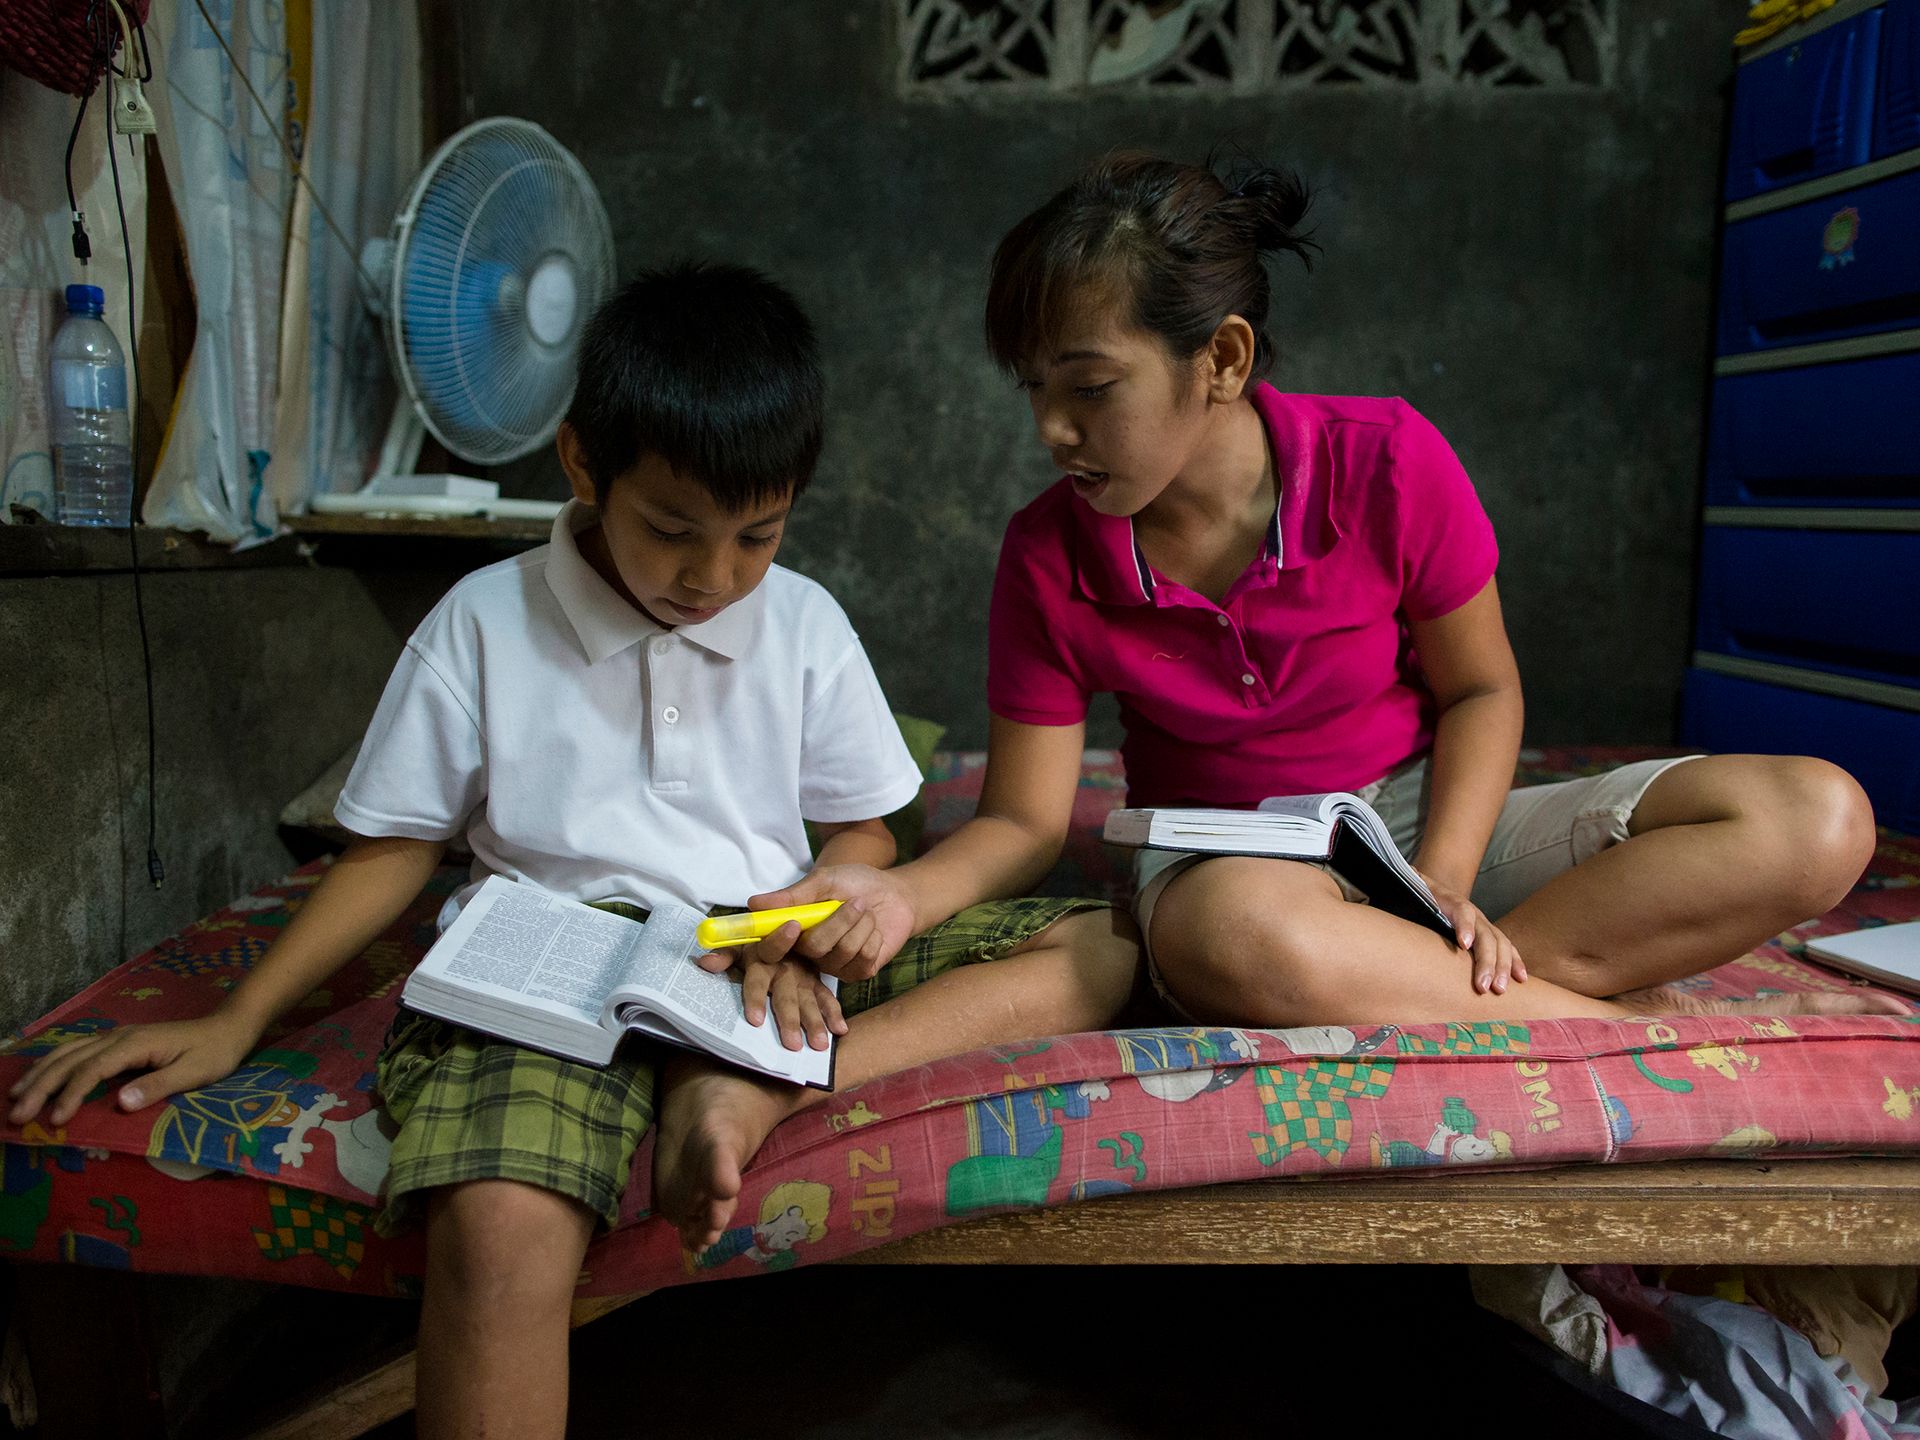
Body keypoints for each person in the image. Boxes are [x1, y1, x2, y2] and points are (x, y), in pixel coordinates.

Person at [7, 262, 1138, 1440]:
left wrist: (841, 886)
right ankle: (732, 1083)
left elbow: (864, 827)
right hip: (546, 966)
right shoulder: (482, 624)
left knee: (1102, 942)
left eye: (758, 534)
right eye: (671, 530)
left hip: (757, 944)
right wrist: (240, 1021)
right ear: (584, 465)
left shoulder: (799, 621)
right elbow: (391, 853)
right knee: (497, 1225)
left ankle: (750, 1086)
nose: (715, 578)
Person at [759, 152, 1906, 1029]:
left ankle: (1428, 987)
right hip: (1230, 863)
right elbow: (1019, 818)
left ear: (1224, 360)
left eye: (1090, 388)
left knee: (1816, 818)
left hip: (1410, 823)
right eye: (1033, 393)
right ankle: (1579, 1031)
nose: (1054, 430)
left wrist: (1442, 886)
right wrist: (904, 897)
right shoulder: (1049, 555)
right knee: (1238, 931)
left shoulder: (1389, 461)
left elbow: (1482, 695)